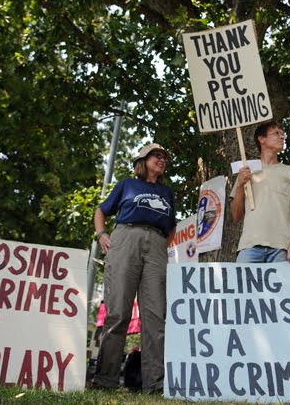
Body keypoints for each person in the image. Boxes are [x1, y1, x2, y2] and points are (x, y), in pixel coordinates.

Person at [91, 143, 177, 393]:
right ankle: (105, 380)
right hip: (126, 239)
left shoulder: (167, 192)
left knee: (155, 316)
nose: (161, 160)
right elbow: (101, 211)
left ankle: (155, 384)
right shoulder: (127, 184)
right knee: (118, 312)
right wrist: (101, 234)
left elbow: (172, 227)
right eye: (156, 156)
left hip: (157, 245)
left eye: (164, 157)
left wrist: (159, 246)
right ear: (143, 160)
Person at [230, 120, 290, 263]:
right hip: (249, 246)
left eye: (283, 134)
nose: (282, 137)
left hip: (282, 247)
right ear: (262, 139)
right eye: (277, 133)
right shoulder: (246, 172)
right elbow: (236, 215)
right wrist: (240, 185)